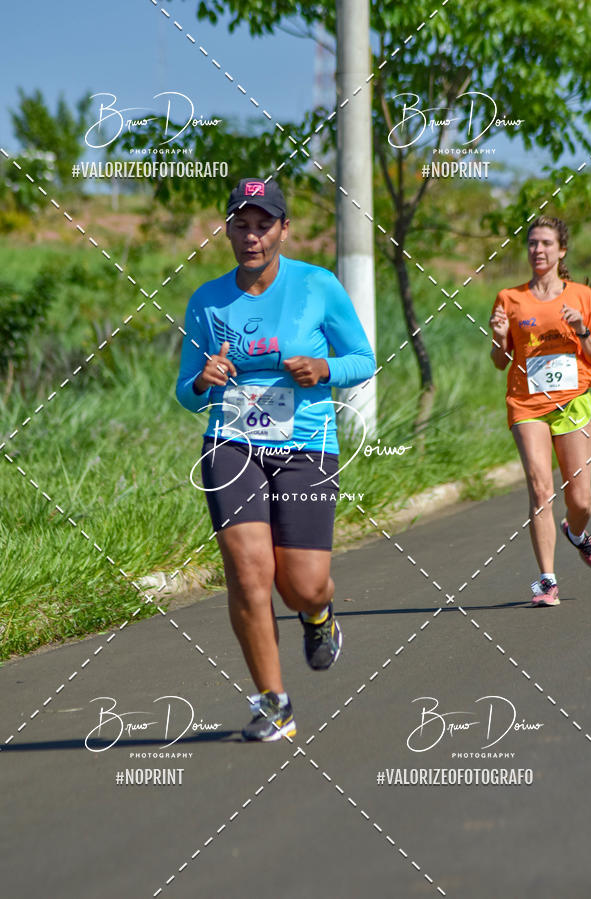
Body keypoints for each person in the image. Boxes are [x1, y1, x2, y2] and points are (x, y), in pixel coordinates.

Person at [176, 178, 376, 739]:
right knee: (248, 573)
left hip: (305, 448)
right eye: (241, 224)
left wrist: (324, 369)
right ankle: (274, 701)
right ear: (228, 230)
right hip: (230, 445)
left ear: (283, 229)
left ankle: (319, 617)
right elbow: (183, 392)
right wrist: (201, 378)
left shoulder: (318, 286)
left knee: (302, 585)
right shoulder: (208, 300)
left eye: (263, 224)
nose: (252, 236)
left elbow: (363, 358)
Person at [490, 215, 591, 606]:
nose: (538, 250)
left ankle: (578, 534)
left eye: (546, 244)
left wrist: (582, 331)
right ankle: (547, 582)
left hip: (572, 404)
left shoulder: (582, 298)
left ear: (561, 250)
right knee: (540, 489)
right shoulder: (510, 298)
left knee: (582, 501)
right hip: (528, 405)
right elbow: (501, 362)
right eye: (533, 243)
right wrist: (501, 340)